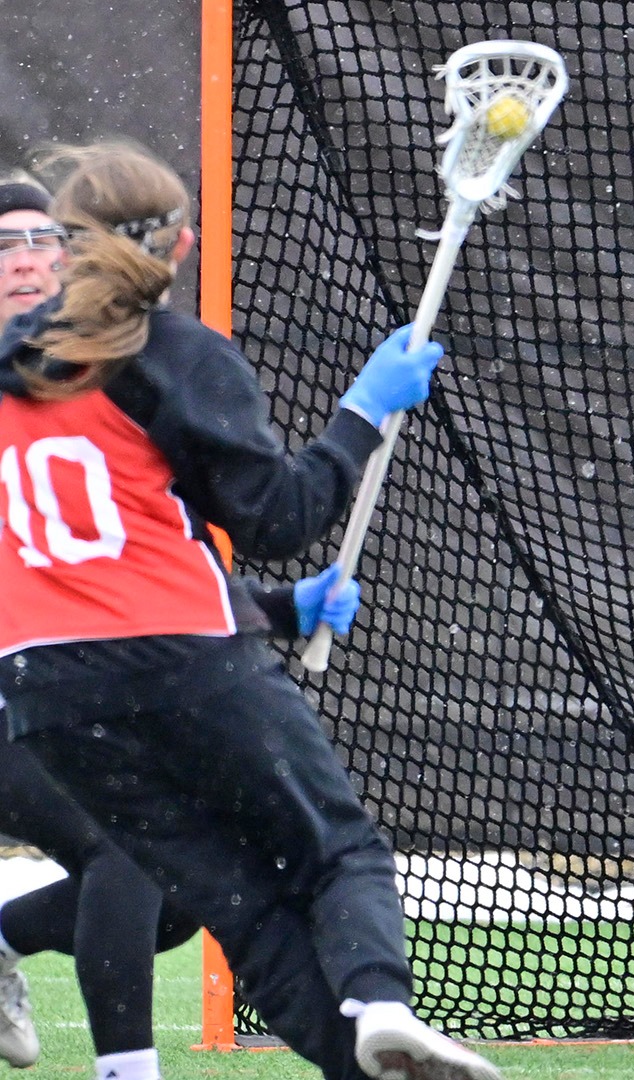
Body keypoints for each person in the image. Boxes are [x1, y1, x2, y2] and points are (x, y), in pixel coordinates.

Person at [0, 140, 497, 1080]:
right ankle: (381, 1002)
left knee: (239, 910)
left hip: (49, 696)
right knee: (335, 853)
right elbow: (280, 516)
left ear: (69, 246)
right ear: (180, 244)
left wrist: (273, 608)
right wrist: (362, 411)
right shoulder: (169, 353)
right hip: (181, 664)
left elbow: (94, 545)